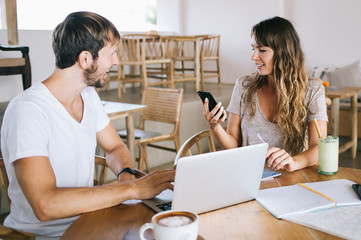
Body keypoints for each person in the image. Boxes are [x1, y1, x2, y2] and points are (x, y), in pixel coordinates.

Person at [0, 12, 174, 239]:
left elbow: (113, 148)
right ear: (85, 59)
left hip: (92, 218)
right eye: (111, 54)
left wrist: (126, 174)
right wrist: (132, 189)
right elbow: (46, 205)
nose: (116, 62)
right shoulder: (27, 111)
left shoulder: (89, 97)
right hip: (44, 235)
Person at [202, 16, 328, 172]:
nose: (254, 56)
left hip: (292, 178)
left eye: (261, 50)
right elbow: (233, 144)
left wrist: (293, 162)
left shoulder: (312, 90)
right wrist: (215, 127)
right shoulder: (244, 87)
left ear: (284, 52)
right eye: (253, 48)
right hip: (249, 176)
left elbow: (320, 148)